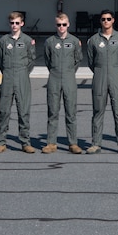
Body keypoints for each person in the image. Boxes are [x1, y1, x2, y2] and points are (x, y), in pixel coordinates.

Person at [87, 9, 118, 154]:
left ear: (113, 21)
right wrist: (100, 71)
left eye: (109, 19)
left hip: (116, 76)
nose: (106, 21)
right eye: (103, 19)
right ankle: (96, 143)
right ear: (100, 21)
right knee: (98, 111)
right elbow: (91, 61)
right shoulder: (93, 40)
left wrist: (116, 71)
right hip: (99, 76)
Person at [0, 11, 36, 153]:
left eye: (17, 23)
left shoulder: (28, 41)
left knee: (23, 111)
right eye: (12, 23)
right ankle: (0, 141)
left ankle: (25, 142)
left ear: (22, 23)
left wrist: (22, 72)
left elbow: (31, 60)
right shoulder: (4, 41)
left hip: (22, 76)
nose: (14, 25)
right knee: (4, 110)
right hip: (8, 77)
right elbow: (0, 60)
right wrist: (8, 72)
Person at [43, 12, 84, 154]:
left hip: (69, 78)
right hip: (54, 77)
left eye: (64, 25)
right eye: (59, 25)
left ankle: (73, 143)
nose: (61, 27)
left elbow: (78, 60)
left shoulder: (74, 41)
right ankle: (51, 143)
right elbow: (47, 60)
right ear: (56, 25)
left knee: (71, 112)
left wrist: (69, 72)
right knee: (53, 111)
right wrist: (55, 71)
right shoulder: (49, 42)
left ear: (68, 25)